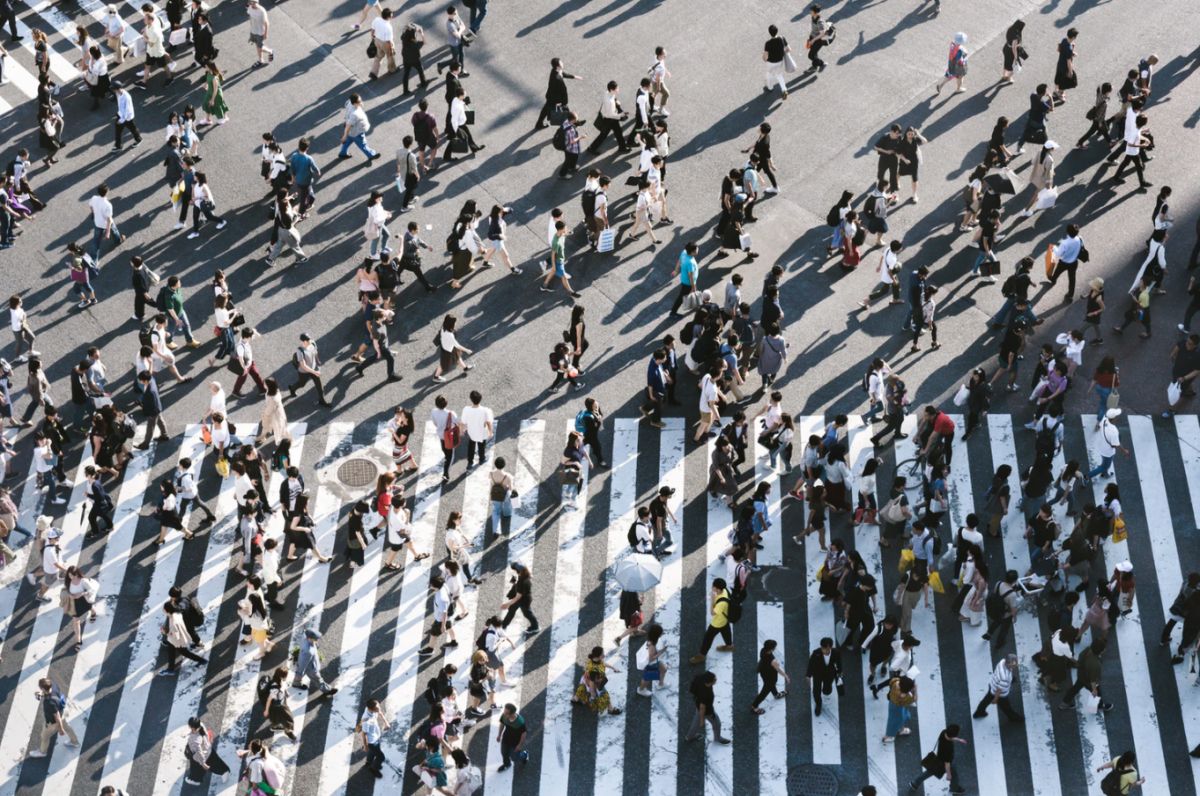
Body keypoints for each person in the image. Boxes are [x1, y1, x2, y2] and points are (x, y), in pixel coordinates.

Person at [27, 678, 79, 758]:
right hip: (62, 712)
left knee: (44, 736)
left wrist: (60, 729)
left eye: (40, 688)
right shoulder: (54, 686)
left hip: (52, 722)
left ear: (43, 689)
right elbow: (52, 693)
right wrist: (42, 694)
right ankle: (75, 742)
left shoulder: (49, 703)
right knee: (67, 727)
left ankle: (42, 752)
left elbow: (57, 716)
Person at [908, 724, 968, 794]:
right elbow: (947, 763)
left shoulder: (944, 732)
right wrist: (948, 774)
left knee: (930, 771)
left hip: (938, 758)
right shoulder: (948, 748)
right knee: (953, 773)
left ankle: (915, 783)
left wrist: (958, 739)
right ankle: (954, 788)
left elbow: (949, 737)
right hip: (944, 762)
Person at [689, 578, 733, 663]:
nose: (712, 587)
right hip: (724, 619)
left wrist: (712, 600)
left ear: (718, 589)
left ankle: (702, 655)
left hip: (717, 622)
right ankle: (729, 645)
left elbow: (712, 613)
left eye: (714, 586)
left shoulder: (721, 603)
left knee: (708, 638)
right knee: (726, 631)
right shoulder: (725, 591)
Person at [685, 671, 731, 744]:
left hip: (698, 704)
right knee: (717, 723)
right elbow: (702, 707)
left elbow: (692, 689)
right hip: (707, 711)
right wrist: (702, 720)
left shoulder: (699, 678)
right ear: (708, 683)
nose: (716, 679)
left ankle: (689, 737)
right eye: (714, 679)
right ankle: (717, 738)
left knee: (696, 722)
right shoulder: (706, 694)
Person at [973, 654, 1023, 721]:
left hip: (993, 684)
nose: (1016, 665)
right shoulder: (1005, 678)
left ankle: (979, 712)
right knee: (1006, 708)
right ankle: (1013, 718)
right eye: (1014, 664)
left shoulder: (1002, 661)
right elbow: (999, 690)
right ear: (1008, 664)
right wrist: (996, 699)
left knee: (987, 699)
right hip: (1000, 694)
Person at [184, 717, 231, 786]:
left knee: (196, 768)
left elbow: (198, 752)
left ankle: (195, 780)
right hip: (208, 749)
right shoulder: (201, 726)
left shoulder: (194, 740)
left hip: (202, 755)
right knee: (216, 762)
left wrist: (203, 763)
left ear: (192, 727)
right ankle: (224, 771)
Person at [805, 636, 842, 717]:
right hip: (817, 674)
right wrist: (808, 675)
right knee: (816, 690)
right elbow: (811, 664)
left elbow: (839, 663)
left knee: (827, 689)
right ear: (821, 647)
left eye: (829, 649)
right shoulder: (816, 653)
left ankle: (827, 689)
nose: (827, 651)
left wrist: (840, 672)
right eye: (825, 649)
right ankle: (818, 704)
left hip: (830, 674)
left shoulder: (836, 652)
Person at [497, 703, 530, 771]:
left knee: (515, 757)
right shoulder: (504, 716)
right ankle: (507, 764)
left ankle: (525, 755)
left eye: (506, 713)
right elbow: (502, 724)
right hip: (506, 739)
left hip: (515, 742)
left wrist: (519, 745)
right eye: (504, 711)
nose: (504, 714)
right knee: (504, 753)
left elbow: (524, 734)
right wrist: (499, 735)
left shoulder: (520, 722)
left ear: (512, 714)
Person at [246, 0, 273, 67]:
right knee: (258, 46)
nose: (250, 4)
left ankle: (264, 56)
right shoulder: (250, 7)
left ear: (256, 2)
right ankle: (264, 56)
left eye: (251, 2)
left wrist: (265, 34)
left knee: (259, 47)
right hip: (253, 31)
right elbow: (250, 17)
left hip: (260, 32)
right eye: (249, 2)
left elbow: (267, 23)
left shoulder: (261, 11)